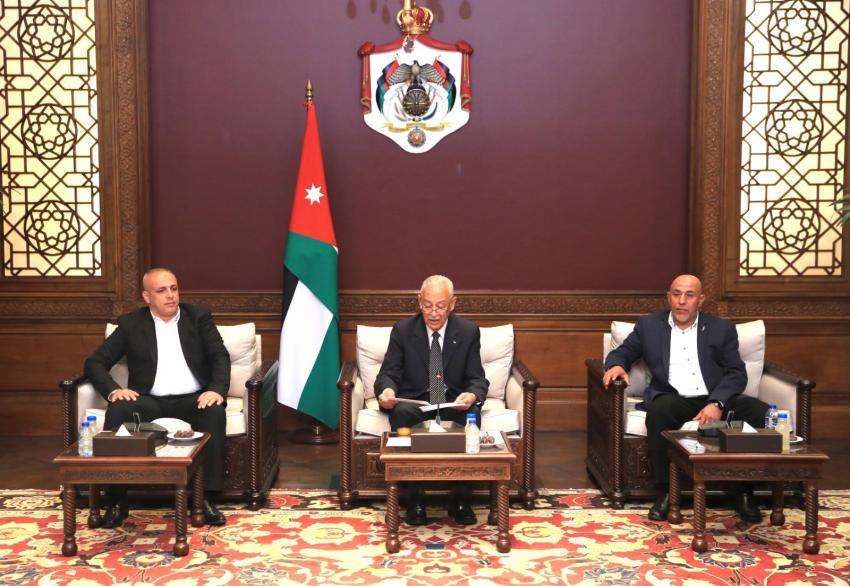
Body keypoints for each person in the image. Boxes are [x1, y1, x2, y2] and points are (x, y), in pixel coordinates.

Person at [603, 274, 768, 523]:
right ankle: (667, 492)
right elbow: (624, 352)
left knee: (760, 413)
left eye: (689, 296)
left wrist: (717, 403)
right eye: (676, 294)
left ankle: (744, 492)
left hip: (713, 397)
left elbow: (736, 372)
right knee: (659, 411)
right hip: (674, 398)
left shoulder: (721, 329)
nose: (681, 301)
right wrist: (616, 365)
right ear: (668, 297)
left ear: (700, 300)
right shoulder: (649, 326)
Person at [84, 268, 230, 528]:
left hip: (194, 399)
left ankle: (205, 498)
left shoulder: (198, 317)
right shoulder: (131, 324)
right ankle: (116, 499)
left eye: (174, 288)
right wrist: (114, 390)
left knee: (214, 411)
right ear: (147, 296)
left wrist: (216, 389)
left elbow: (220, 356)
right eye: (162, 291)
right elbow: (95, 362)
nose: (170, 295)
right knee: (118, 410)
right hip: (148, 400)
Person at [376, 275, 489, 526]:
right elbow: (388, 373)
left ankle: (460, 499)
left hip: (451, 403)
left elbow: (477, 378)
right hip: (416, 404)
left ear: (452, 304)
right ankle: (415, 499)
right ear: (419, 302)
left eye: (440, 306)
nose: (434, 313)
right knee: (402, 413)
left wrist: (471, 394)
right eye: (428, 305)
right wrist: (386, 391)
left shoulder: (468, 331)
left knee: (470, 415)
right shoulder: (403, 330)